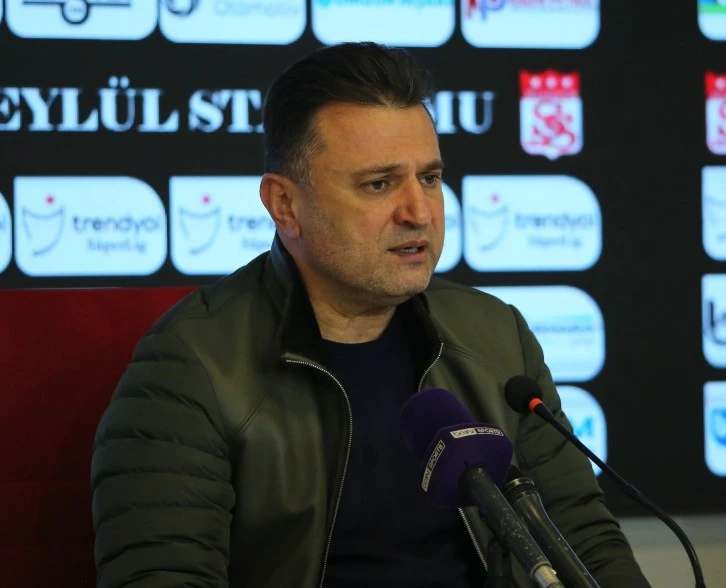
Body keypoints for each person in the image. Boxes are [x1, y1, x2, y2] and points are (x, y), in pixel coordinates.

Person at [91, 42, 650, 587]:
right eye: (379, 184)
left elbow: (583, 542)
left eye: (429, 178)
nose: (419, 212)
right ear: (285, 205)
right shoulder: (190, 366)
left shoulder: (497, 336)